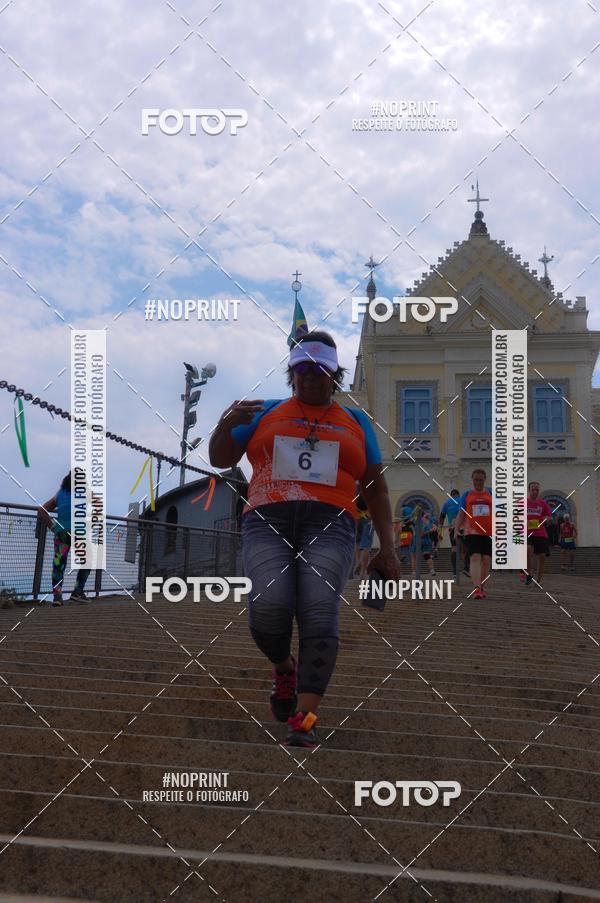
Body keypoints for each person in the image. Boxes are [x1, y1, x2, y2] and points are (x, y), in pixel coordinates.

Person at [209, 331, 399, 748]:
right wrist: (225, 425)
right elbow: (220, 459)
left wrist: (388, 546)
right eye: (302, 369)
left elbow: (376, 488)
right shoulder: (265, 411)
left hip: (331, 522)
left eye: (321, 370)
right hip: (267, 518)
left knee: (319, 609)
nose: (311, 377)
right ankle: (283, 667)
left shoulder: (357, 421)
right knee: (269, 607)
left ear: (335, 376)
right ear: (291, 373)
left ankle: (305, 718)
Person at [37, 472, 91, 606]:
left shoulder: (59, 494)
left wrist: (52, 527)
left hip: (61, 533)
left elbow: (41, 510)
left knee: (58, 565)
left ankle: (57, 597)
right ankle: (77, 592)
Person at [454, 469, 492, 600]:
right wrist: (456, 529)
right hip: (472, 531)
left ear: (484, 479)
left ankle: (482, 586)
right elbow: (461, 513)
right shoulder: (466, 495)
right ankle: (476, 588)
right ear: (472, 479)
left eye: (481, 480)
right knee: (475, 557)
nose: (478, 482)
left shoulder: (491, 493)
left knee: (486, 560)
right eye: (476, 479)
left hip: (488, 531)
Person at [522, 481, 553, 586]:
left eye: (537, 490)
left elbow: (549, 517)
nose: (535, 492)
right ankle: (529, 574)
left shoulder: (543, 503)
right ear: (528, 490)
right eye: (533, 490)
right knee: (528, 550)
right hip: (527, 532)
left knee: (542, 557)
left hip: (540, 533)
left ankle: (538, 580)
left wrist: (545, 519)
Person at [410, 509, 436, 578]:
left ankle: (414, 572)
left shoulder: (418, 521)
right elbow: (434, 527)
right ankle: (432, 570)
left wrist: (429, 530)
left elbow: (421, 534)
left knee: (414, 556)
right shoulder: (427, 520)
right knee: (427, 555)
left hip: (418, 540)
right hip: (426, 540)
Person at [440, 489, 461, 574]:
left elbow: (441, 517)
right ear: (458, 495)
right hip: (464, 527)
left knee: (454, 548)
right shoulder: (462, 500)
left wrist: (440, 532)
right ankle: (467, 567)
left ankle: (454, 571)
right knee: (467, 548)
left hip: (452, 528)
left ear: (451, 495)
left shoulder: (446, 503)